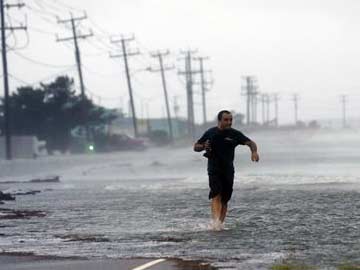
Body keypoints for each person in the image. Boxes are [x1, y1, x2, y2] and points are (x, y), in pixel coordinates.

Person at [193, 110, 259, 230]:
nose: (229, 122)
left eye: (230, 120)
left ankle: (220, 224)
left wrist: (254, 151)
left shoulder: (235, 134)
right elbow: (196, 146)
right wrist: (203, 147)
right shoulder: (210, 132)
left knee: (225, 198)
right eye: (226, 120)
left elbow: (250, 143)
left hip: (228, 169)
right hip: (214, 168)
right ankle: (215, 223)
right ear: (219, 120)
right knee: (216, 194)